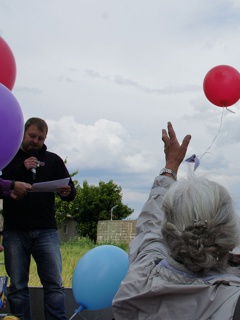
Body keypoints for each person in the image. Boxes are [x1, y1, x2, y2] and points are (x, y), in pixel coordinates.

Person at [112, 122, 240, 320]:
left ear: (168, 230)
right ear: (231, 234)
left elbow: (149, 227)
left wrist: (170, 166)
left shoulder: (139, 280)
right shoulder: (233, 300)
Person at [1, 117, 76, 320]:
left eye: (40, 138)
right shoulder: (9, 157)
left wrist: (66, 192)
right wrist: (22, 168)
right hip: (15, 230)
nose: (35, 141)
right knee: (17, 285)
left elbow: (71, 192)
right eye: (32, 136)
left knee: (54, 284)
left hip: (46, 231)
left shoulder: (53, 160)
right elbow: (2, 184)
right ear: (23, 133)